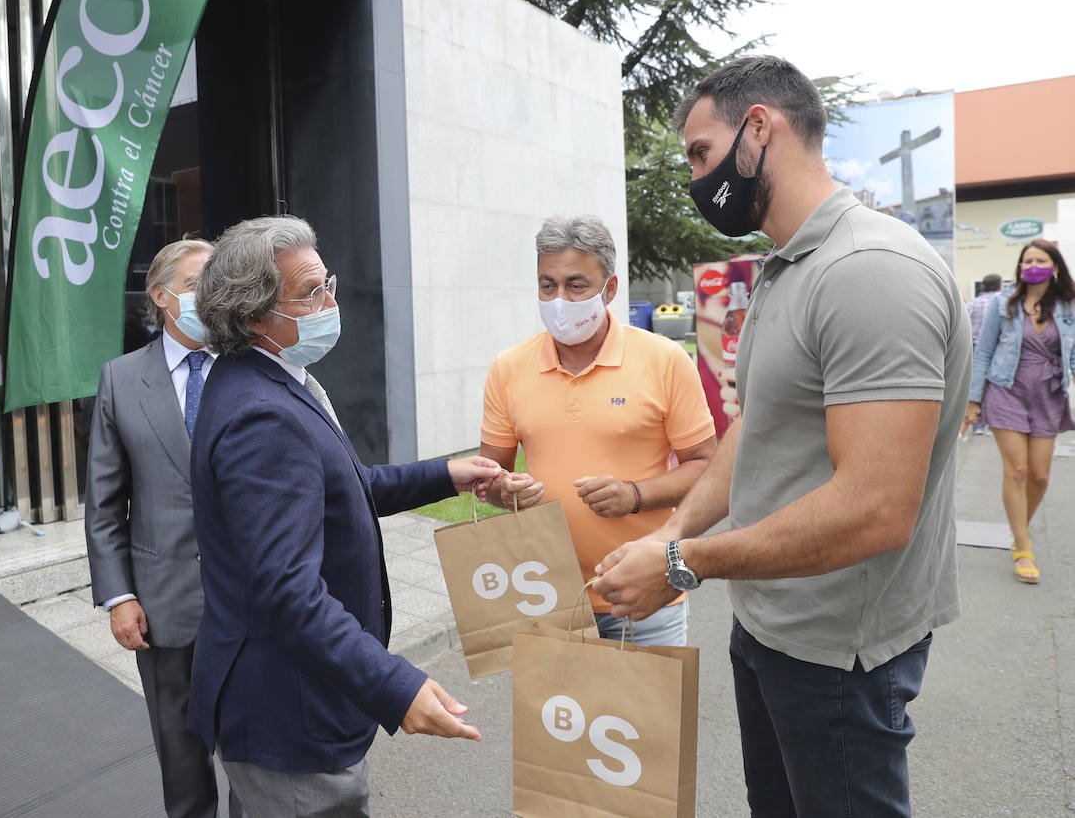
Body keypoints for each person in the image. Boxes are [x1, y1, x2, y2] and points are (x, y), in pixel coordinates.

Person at [594, 56, 969, 816]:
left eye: (702, 154)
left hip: (838, 651)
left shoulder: (869, 271)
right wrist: (674, 529)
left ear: (759, 128)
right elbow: (754, 429)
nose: (697, 178)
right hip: (768, 620)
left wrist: (680, 562)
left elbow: (874, 507)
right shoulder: (785, 266)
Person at [188, 215, 499, 815]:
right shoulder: (263, 416)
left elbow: (343, 491)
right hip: (288, 715)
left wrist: (446, 473)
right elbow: (286, 590)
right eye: (310, 293)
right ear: (256, 316)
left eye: (327, 282)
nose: (331, 301)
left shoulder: (271, 378)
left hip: (288, 698)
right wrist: (394, 685)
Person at [480, 215, 716, 645]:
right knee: (555, 714)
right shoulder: (508, 367)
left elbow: (706, 466)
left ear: (609, 289)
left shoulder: (664, 360)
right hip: (545, 594)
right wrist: (504, 491)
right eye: (547, 285)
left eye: (576, 285)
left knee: (650, 715)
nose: (558, 299)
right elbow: (490, 475)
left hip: (645, 594)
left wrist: (635, 495)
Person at [86, 237, 241, 818]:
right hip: (162, 604)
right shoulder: (122, 380)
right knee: (182, 759)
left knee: (253, 754)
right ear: (161, 296)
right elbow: (104, 504)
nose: (213, 295)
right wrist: (119, 597)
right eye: (200, 283)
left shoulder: (249, 367)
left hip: (249, 599)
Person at [965, 240, 1075, 584]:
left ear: (1055, 267)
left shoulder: (1068, 307)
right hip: (1006, 390)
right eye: (1027, 260)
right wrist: (973, 400)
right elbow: (983, 353)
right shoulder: (1003, 304)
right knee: (1017, 469)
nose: (1033, 265)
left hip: (1049, 394)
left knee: (1040, 475)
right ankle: (1023, 546)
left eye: (1040, 259)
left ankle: (1017, 528)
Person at [964, 273, 1004, 435]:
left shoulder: (972, 304)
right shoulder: (1004, 303)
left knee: (975, 385)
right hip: (997, 350)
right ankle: (992, 423)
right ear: (1000, 286)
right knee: (994, 387)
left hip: (974, 350)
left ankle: (978, 424)